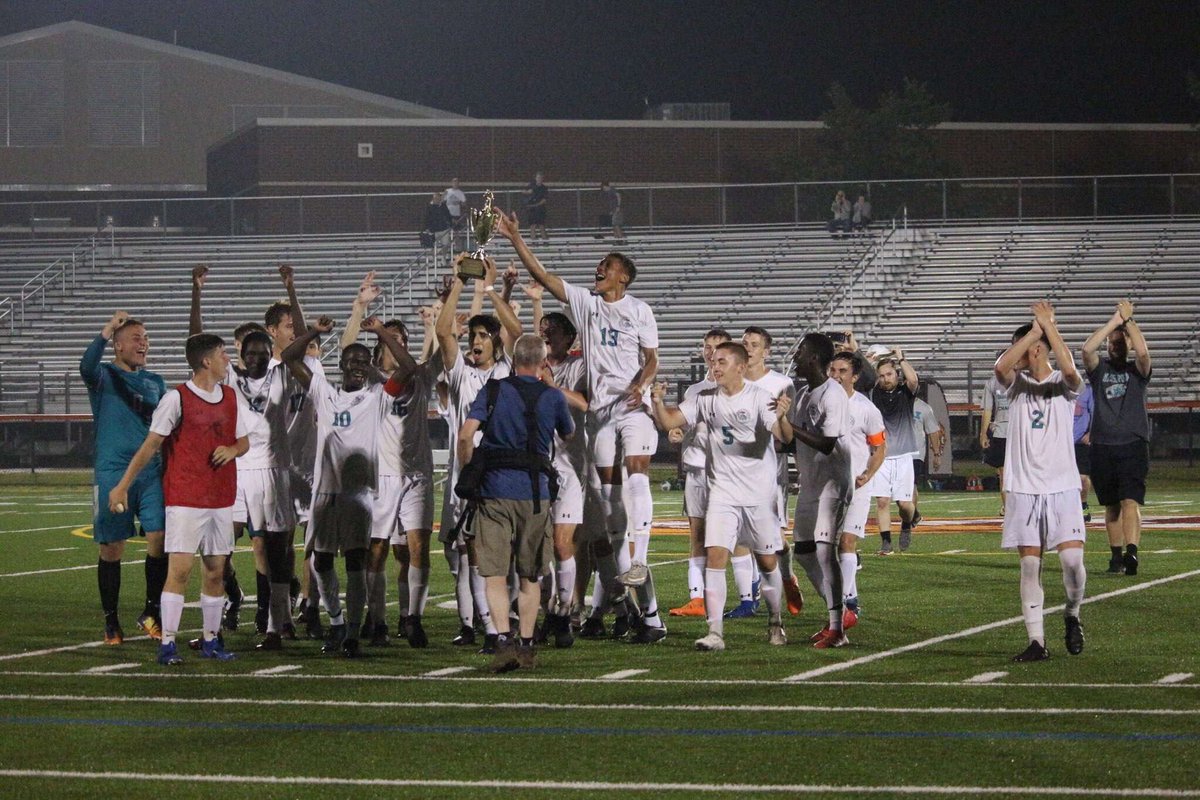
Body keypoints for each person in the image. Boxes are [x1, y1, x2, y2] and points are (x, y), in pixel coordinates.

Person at [497, 208, 666, 643]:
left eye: (607, 266)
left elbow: (651, 359)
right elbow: (546, 276)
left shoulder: (639, 310)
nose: (599, 269)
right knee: (609, 506)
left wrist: (642, 384)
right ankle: (638, 615)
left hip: (634, 409)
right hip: (600, 417)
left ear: (622, 278)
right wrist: (516, 238)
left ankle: (639, 560)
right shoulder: (587, 305)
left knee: (637, 473)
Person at [109, 333, 250, 666]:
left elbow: (243, 441)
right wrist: (123, 485)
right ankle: (168, 643)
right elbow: (150, 446)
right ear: (206, 361)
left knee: (216, 571)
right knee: (181, 571)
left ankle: (212, 640)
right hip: (186, 498)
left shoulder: (230, 397)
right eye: (221, 354)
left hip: (221, 497)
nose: (227, 359)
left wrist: (232, 450)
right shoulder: (177, 398)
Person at [281, 313, 411, 658]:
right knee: (321, 562)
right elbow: (289, 357)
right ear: (339, 364)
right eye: (351, 360)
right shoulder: (324, 391)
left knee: (355, 563)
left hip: (358, 495)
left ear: (369, 366)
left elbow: (409, 369)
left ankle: (351, 632)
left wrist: (382, 332)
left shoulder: (377, 396)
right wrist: (313, 332)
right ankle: (336, 622)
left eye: (363, 361)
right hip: (324, 492)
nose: (356, 366)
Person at [651, 342, 789, 651]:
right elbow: (670, 422)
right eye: (713, 361)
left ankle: (775, 620)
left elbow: (784, 437)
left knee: (768, 563)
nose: (715, 366)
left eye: (722, 361)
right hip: (722, 494)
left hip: (757, 496)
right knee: (715, 556)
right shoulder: (705, 400)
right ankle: (715, 632)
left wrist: (781, 417)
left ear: (740, 367)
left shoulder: (759, 398)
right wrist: (658, 402)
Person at [189, 265, 298, 650]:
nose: (255, 358)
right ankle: (215, 626)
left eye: (261, 353)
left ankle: (275, 624)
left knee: (277, 548)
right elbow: (197, 341)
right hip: (238, 471)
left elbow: (297, 340)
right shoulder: (232, 379)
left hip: (273, 471)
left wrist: (290, 288)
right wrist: (196, 291)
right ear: (241, 354)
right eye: (249, 353)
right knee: (219, 547)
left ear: (271, 352)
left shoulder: (283, 373)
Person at [458, 334, 575, 672]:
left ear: (512, 360)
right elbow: (567, 434)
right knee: (530, 577)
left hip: (494, 489)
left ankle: (503, 641)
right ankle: (526, 645)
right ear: (543, 363)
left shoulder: (493, 390)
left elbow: (467, 434)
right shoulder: (552, 396)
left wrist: (469, 472)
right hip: (535, 494)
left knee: (494, 575)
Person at [340, 276, 437, 648]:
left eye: (401, 341)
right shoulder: (372, 380)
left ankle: (412, 618)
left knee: (416, 549)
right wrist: (359, 309)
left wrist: (419, 326)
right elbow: (348, 349)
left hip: (417, 475)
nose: (397, 346)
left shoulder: (420, 375)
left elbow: (413, 366)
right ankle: (376, 619)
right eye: (389, 342)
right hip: (382, 476)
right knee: (377, 549)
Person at [435, 257, 522, 651]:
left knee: (495, 555)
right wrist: (459, 282)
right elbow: (443, 333)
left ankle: (493, 624)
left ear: (495, 341)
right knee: (468, 554)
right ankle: (478, 626)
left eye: (484, 334)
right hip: (465, 476)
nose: (476, 340)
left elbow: (518, 334)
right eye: (474, 334)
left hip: (501, 474)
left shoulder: (505, 372)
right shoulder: (461, 374)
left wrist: (492, 289)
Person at [994, 301, 1087, 662]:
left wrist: (1049, 328)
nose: (1014, 356)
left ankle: (1072, 614)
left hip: (1061, 487)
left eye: (1023, 349)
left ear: (1035, 350)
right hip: (1023, 489)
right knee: (1030, 565)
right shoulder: (1015, 386)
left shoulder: (1062, 385)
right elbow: (1002, 366)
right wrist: (1036, 330)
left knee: (1072, 563)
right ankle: (1036, 641)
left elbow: (1070, 370)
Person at [80, 311, 168, 645]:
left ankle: (150, 612)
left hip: (151, 473)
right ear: (117, 345)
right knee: (112, 549)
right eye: (136, 338)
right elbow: (86, 366)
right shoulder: (102, 376)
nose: (143, 343)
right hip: (113, 473)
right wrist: (106, 330)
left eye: (145, 338)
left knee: (159, 537)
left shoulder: (156, 382)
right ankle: (111, 621)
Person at [781, 333, 854, 649]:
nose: (795, 356)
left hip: (832, 482)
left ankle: (838, 628)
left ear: (813, 357)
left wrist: (786, 424)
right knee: (805, 552)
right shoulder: (802, 394)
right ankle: (838, 609)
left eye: (800, 351)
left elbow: (826, 442)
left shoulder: (832, 394)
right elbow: (790, 441)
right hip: (810, 483)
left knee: (825, 550)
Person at [1082, 300, 1152, 576]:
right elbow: (1088, 348)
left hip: (1133, 444)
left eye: (1120, 343)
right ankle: (1116, 557)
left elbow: (1144, 352)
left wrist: (1129, 322)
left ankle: (1131, 552)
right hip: (1103, 445)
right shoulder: (1100, 371)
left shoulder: (1138, 372)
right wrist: (1115, 322)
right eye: (1112, 344)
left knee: (1130, 500)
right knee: (1111, 505)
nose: (1115, 346)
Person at [667, 328, 731, 618]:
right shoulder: (694, 391)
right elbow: (680, 426)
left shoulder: (738, 389)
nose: (710, 351)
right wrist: (676, 432)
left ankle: (748, 590)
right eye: (707, 346)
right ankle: (696, 598)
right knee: (697, 534)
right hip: (697, 471)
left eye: (716, 346)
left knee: (736, 537)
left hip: (728, 473)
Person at [740, 326, 803, 617]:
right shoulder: (730, 377)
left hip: (768, 469)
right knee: (745, 539)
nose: (748, 348)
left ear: (767, 351)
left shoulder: (780, 383)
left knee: (775, 541)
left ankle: (787, 576)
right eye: (745, 343)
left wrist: (778, 418)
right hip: (735, 471)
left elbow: (787, 437)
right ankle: (756, 601)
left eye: (755, 344)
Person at [537, 310, 591, 647]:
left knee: (561, 542)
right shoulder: (532, 364)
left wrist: (552, 386)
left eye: (554, 331)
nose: (547, 335)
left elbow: (584, 403)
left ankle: (564, 611)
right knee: (538, 547)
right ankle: (548, 611)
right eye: (543, 330)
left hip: (570, 466)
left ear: (570, 338)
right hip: (537, 465)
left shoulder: (578, 367)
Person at [828, 351, 886, 627]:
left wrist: (867, 473)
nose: (836, 376)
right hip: (826, 484)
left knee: (846, 542)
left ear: (855, 376)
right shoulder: (819, 402)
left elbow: (879, 448)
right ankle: (845, 599)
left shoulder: (865, 408)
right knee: (822, 548)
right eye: (833, 370)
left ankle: (849, 602)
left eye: (842, 371)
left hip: (856, 485)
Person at [867, 351, 920, 554]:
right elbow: (863, 380)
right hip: (882, 454)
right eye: (881, 375)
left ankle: (909, 522)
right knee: (882, 501)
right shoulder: (874, 393)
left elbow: (913, 379)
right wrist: (869, 362)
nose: (885, 379)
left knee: (904, 505)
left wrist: (902, 358)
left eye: (889, 374)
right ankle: (886, 543)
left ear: (896, 374)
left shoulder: (906, 392)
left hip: (904, 454)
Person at [980, 362, 1011, 517]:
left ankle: (1011, 509)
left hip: (1018, 432)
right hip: (1001, 431)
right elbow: (987, 410)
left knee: (1010, 474)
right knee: (1004, 474)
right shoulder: (992, 382)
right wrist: (983, 433)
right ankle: (1008, 508)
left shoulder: (1022, 380)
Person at [910, 394, 945, 524]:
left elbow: (933, 431)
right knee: (896, 490)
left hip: (916, 453)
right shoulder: (896, 403)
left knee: (911, 486)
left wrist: (937, 455)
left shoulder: (924, 408)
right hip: (897, 452)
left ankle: (910, 518)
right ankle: (914, 514)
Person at [1074, 382, 1095, 524]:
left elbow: (1094, 412)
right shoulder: (1058, 389)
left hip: (1080, 440)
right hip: (1061, 441)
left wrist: (1090, 433)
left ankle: (1083, 504)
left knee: (1082, 477)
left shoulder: (1087, 391)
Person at [524, 172, 549, 241]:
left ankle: (545, 241)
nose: (539, 179)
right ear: (535, 178)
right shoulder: (532, 186)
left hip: (540, 209)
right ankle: (533, 241)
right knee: (533, 225)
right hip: (532, 209)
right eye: (538, 178)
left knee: (541, 225)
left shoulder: (544, 188)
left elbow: (544, 199)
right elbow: (524, 192)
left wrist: (536, 205)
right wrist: (528, 192)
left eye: (540, 178)